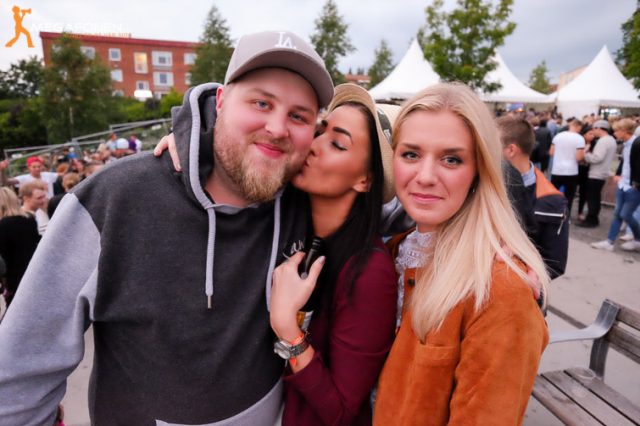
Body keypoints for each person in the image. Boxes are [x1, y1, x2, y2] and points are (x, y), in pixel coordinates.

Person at [0, 30, 333, 425]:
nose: (277, 128)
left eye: (298, 116)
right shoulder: (116, 197)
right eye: (261, 103)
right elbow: (22, 370)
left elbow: (393, 192)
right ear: (221, 102)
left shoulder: (308, 200)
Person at [373, 83, 549, 425]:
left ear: (479, 170)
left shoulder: (499, 290)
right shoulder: (395, 251)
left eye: (451, 159)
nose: (425, 176)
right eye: (411, 154)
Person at [269, 84, 398, 425]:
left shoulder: (370, 272)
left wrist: (288, 330)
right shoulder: (284, 218)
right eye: (320, 131)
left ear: (365, 180)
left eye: (338, 144)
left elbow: (342, 410)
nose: (314, 145)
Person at [498, 115, 569, 280]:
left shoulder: (551, 201)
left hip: (516, 288)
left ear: (511, 150)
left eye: (490, 145)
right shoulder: (481, 183)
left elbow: (554, 263)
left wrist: (518, 278)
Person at [591, 118, 640, 252]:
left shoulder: (637, 143)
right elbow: (625, 161)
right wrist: (619, 174)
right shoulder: (626, 144)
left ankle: (637, 239)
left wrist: (636, 184)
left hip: (633, 186)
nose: (614, 133)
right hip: (624, 184)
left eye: (617, 130)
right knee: (618, 214)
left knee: (625, 214)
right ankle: (609, 242)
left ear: (625, 131)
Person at [0, 186, 40, 308]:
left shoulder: (3, 225)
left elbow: (4, 257)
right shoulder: (29, 220)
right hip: (33, 275)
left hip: (13, 280)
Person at [576, 120, 617, 228]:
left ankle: (591, 220)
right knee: (595, 197)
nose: (593, 131)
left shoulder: (603, 141)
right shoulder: (611, 140)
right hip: (601, 172)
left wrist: (585, 154)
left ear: (599, 128)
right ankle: (593, 218)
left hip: (596, 173)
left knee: (593, 198)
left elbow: (597, 158)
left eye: (594, 129)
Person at [550, 118, 585, 218]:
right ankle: (565, 216)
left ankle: (551, 213)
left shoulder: (558, 136)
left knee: (553, 194)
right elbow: (579, 157)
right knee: (569, 196)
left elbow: (551, 152)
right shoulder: (579, 138)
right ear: (578, 126)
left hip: (557, 170)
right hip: (571, 171)